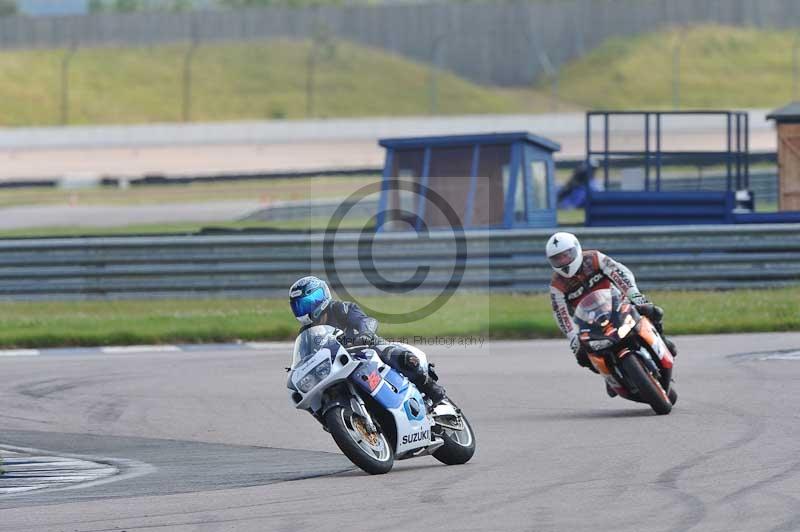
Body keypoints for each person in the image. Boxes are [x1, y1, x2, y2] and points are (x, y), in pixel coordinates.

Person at [546, 232, 677, 397]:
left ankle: (663, 341)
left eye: (566, 255)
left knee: (652, 311)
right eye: (557, 259)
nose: (563, 261)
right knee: (582, 356)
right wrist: (573, 339)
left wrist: (635, 296)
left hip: (617, 304)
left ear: (576, 250)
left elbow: (620, 274)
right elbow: (561, 315)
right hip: (589, 321)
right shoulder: (556, 285)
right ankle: (609, 375)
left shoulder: (594, 258)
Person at [289, 276, 447, 405]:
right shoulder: (306, 333)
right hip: (337, 365)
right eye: (299, 306)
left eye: (309, 302)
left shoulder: (340, 308)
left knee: (404, 359)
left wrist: (365, 333)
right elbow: (306, 357)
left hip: (365, 347)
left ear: (322, 297)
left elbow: (365, 320)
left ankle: (430, 387)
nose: (305, 309)